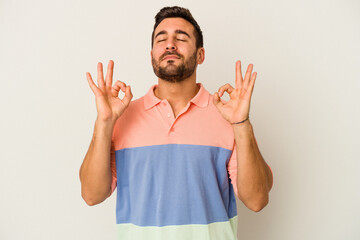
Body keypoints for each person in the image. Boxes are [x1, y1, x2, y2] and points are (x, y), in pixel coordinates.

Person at [79, 6, 273, 240]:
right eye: (161, 39)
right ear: (151, 54)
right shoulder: (121, 118)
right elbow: (92, 195)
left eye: (181, 38)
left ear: (200, 55)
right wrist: (104, 122)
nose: (170, 44)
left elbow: (257, 200)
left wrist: (241, 124)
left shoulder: (227, 117)